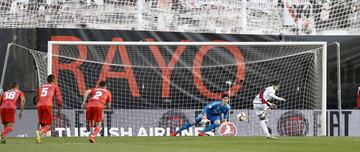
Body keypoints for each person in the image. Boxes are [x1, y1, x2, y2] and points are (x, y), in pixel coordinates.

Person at [36, 74, 62, 144]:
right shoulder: (55, 87)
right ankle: (39, 133)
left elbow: (38, 97)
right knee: (49, 125)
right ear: (53, 80)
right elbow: (59, 99)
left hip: (39, 105)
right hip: (47, 105)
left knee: (43, 124)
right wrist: (59, 108)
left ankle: (39, 138)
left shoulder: (41, 87)